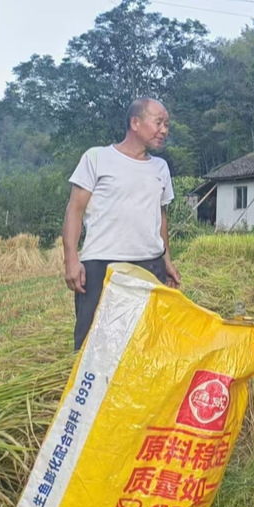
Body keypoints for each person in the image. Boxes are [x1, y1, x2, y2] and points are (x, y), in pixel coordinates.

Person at [63, 98, 181, 351]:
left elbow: (160, 217)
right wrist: (71, 259)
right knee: (91, 346)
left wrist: (167, 260)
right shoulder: (97, 157)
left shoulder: (161, 167)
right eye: (159, 122)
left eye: (167, 125)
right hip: (102, 266)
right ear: (135, 123)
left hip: (150, 265)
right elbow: (74, 209)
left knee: (146, 345)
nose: (164, 130)